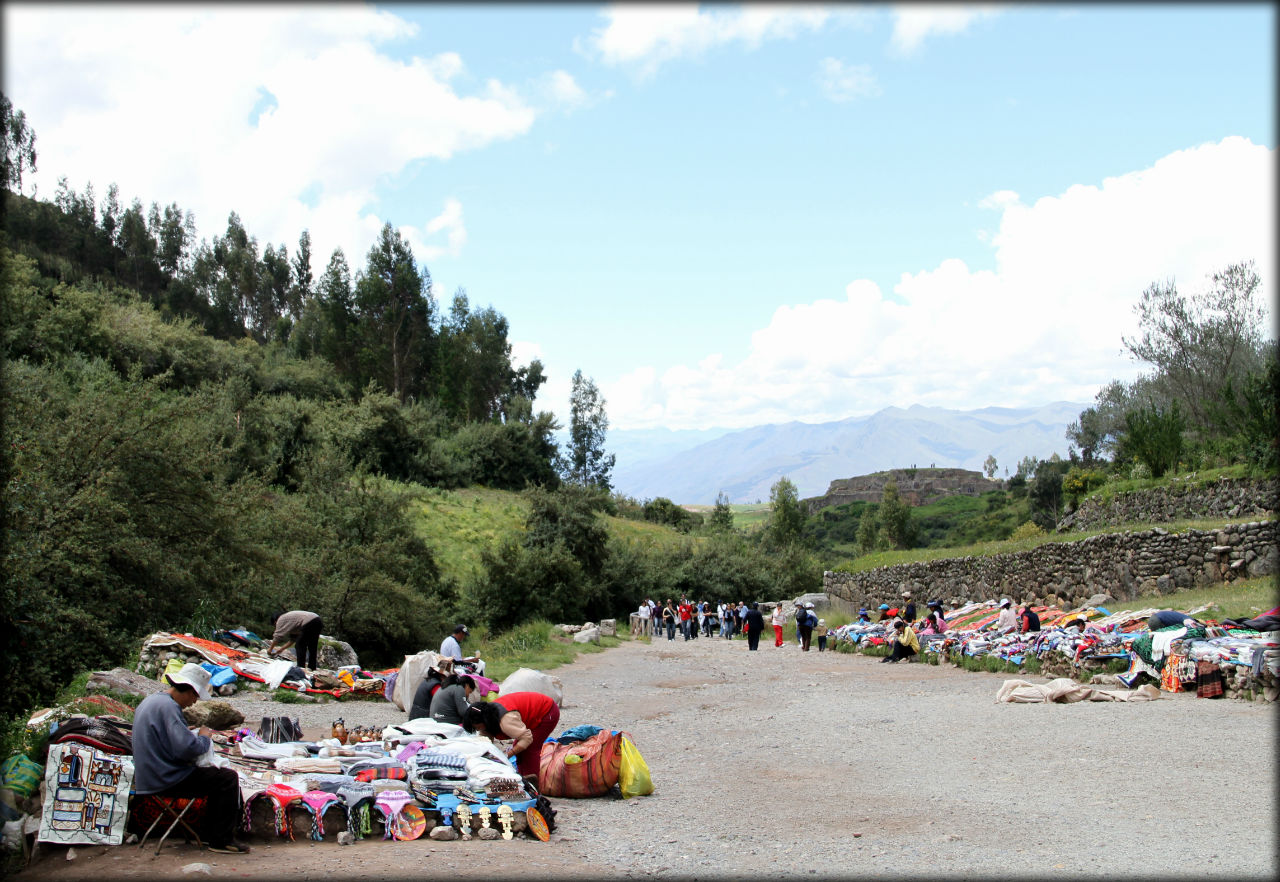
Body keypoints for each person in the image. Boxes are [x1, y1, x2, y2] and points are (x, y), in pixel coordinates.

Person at [132, 664, 250, 854]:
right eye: (195, 696)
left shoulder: (152, 701)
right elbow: (187, 750)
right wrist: (204, 736)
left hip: (149, 776)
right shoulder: (169, 707)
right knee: (227, 779)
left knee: (214, 777)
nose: (194, 702)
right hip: (166, 779)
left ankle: (209, 834)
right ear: (189, 690)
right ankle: (221, 840)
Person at [463, 692, 560, 780]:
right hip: (531, 713)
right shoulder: (488, 716)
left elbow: (527, 738)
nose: (478, 730)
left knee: (530, 749)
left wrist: (507, 755)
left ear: (483, 721)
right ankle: (524, 779)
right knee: (520, 750)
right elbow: (486, 739)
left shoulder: (505, 720)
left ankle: (534, 786)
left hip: (547, 711)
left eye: (477, 727)